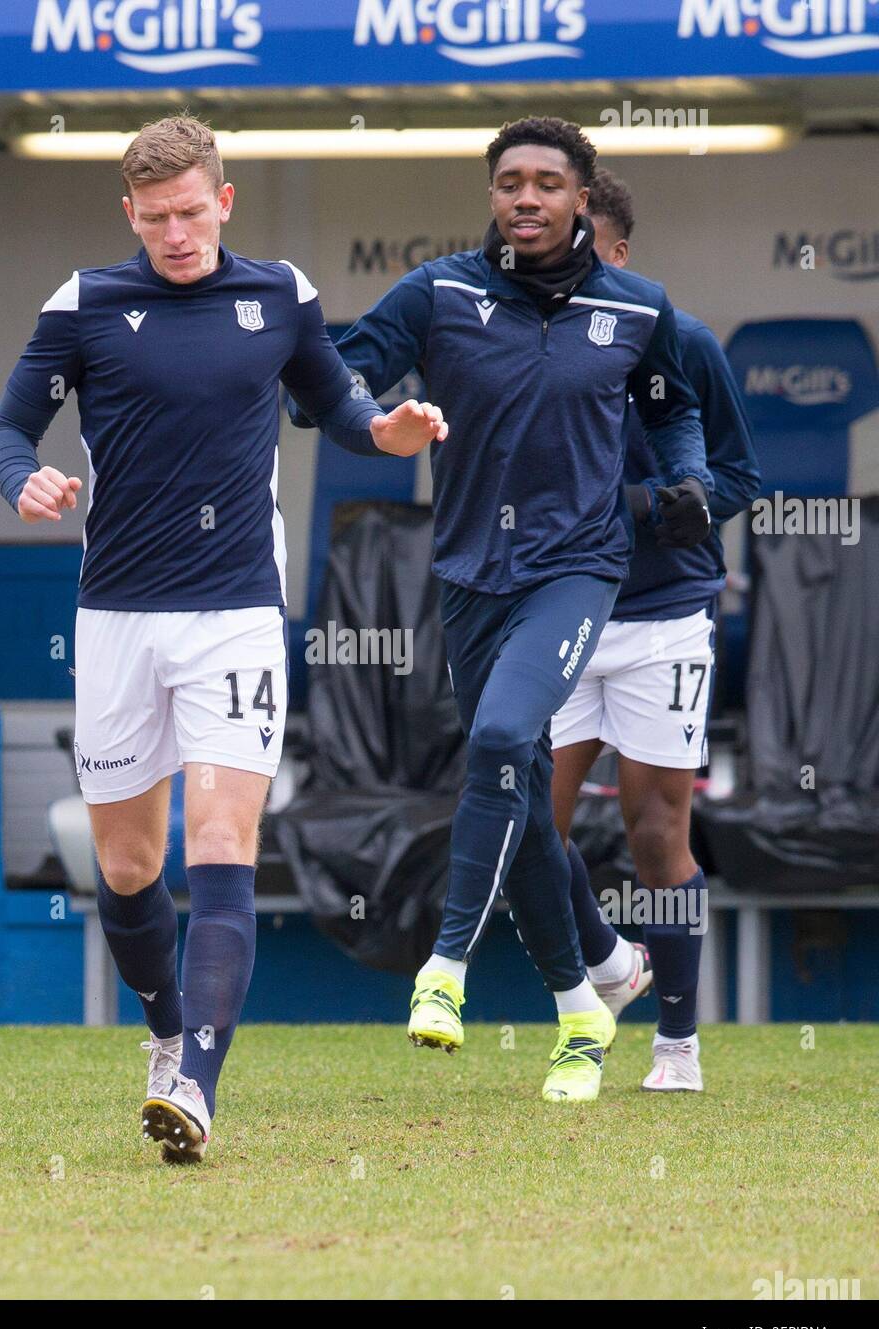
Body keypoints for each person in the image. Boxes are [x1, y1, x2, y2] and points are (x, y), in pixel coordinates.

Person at [0, 113, 447, 1162]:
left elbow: (333, 401)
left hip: (235, 614)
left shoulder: (277, 295)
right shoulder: (85, 303)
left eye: (191, 213)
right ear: (129, 215)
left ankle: (195, 1080)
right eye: (154, 219)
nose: (175, 234)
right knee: (130, 863)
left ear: (223, 201)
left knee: (224, 841)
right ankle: (162, 1032)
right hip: (115, 620)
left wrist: (385, 429)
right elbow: (10, 428)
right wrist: (28, 479)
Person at [291, 116, 712, 1102]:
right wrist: (370, 419)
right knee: (519, 784)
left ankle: (443, 971)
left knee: (498, 736)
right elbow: (333, 382)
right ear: (491, 196)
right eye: (508, 182)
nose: (525, 198)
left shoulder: (632, 307)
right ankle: (583, 998)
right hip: (469, 572)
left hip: (575, 569)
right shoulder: (438, 293)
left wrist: (686, 477)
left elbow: (674, 407)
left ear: (580, 198)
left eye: (545, 183)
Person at [550, 169, 760, 1092]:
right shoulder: (529, 346)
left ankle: (678, 1042)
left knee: (653, 831)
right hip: (552, 612)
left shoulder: (688, 343)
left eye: (579, 236)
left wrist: (667, 505)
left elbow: (741, 480)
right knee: (522, 821)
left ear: (620, 253)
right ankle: (609, 965)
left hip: (663, 618)